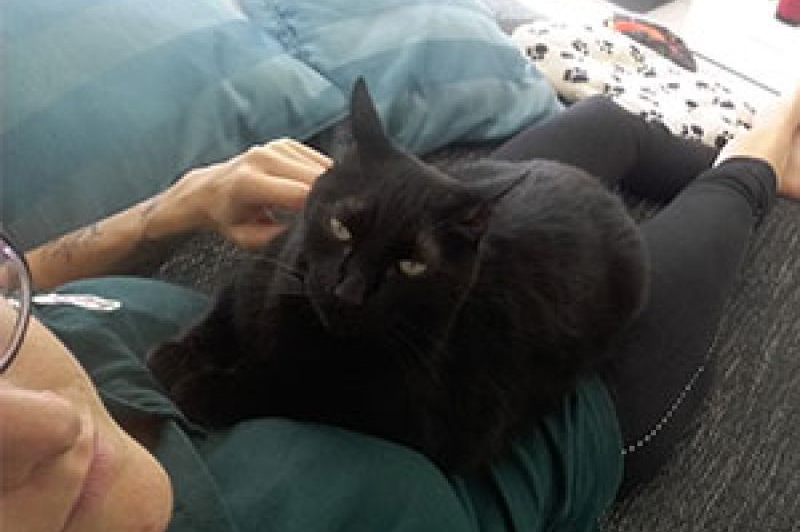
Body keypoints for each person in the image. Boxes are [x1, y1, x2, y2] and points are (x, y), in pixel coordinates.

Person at [1, 86, 799, 532]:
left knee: (604, 121)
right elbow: (413, 438)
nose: (47, 422)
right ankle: (777, 126)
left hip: (447, 251)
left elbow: (14, 278)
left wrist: (166, 211)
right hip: (582, 402)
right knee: (733, 188)